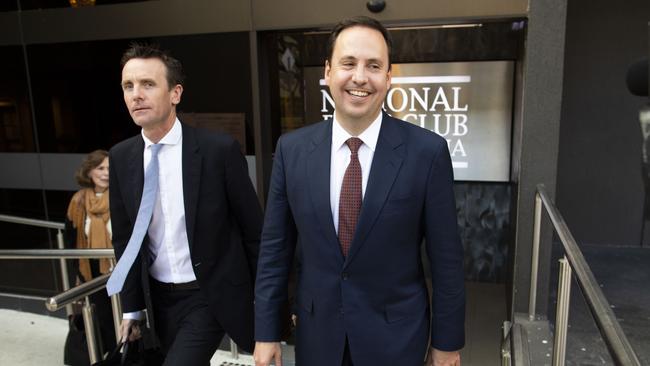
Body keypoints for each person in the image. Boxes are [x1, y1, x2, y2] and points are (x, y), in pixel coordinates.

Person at [254, 16, 465, 366]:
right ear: (327, 71)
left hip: (396, 340)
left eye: (373, 65)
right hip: (317, 337)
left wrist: (447, 344)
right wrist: (266, 332)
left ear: (388, 76)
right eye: (348, 63)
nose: (360, 77)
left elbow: (447, 261)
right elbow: (274, 251)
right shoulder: (291, 151)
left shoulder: (426, 152)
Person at [107, 43, 263, 365]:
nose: (136, 94)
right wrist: (132, 308)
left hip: (208, 295)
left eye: (148, 84)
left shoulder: (217, 151)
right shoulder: (121, 157)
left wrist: (270, 305)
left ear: (175, 93)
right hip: (158, 298)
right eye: (128, 86)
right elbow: (126, 238)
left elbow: (254, 232)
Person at [64, 149, 115, 364]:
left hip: (119, 268)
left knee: (122, 317)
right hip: (91, 272)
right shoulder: (78, 201)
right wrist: (77, 275)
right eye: (100, 168)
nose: (105, 173)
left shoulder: (122, 197)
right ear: (89, 172)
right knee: (99, 318)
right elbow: (70, 240)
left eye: (110, 168)